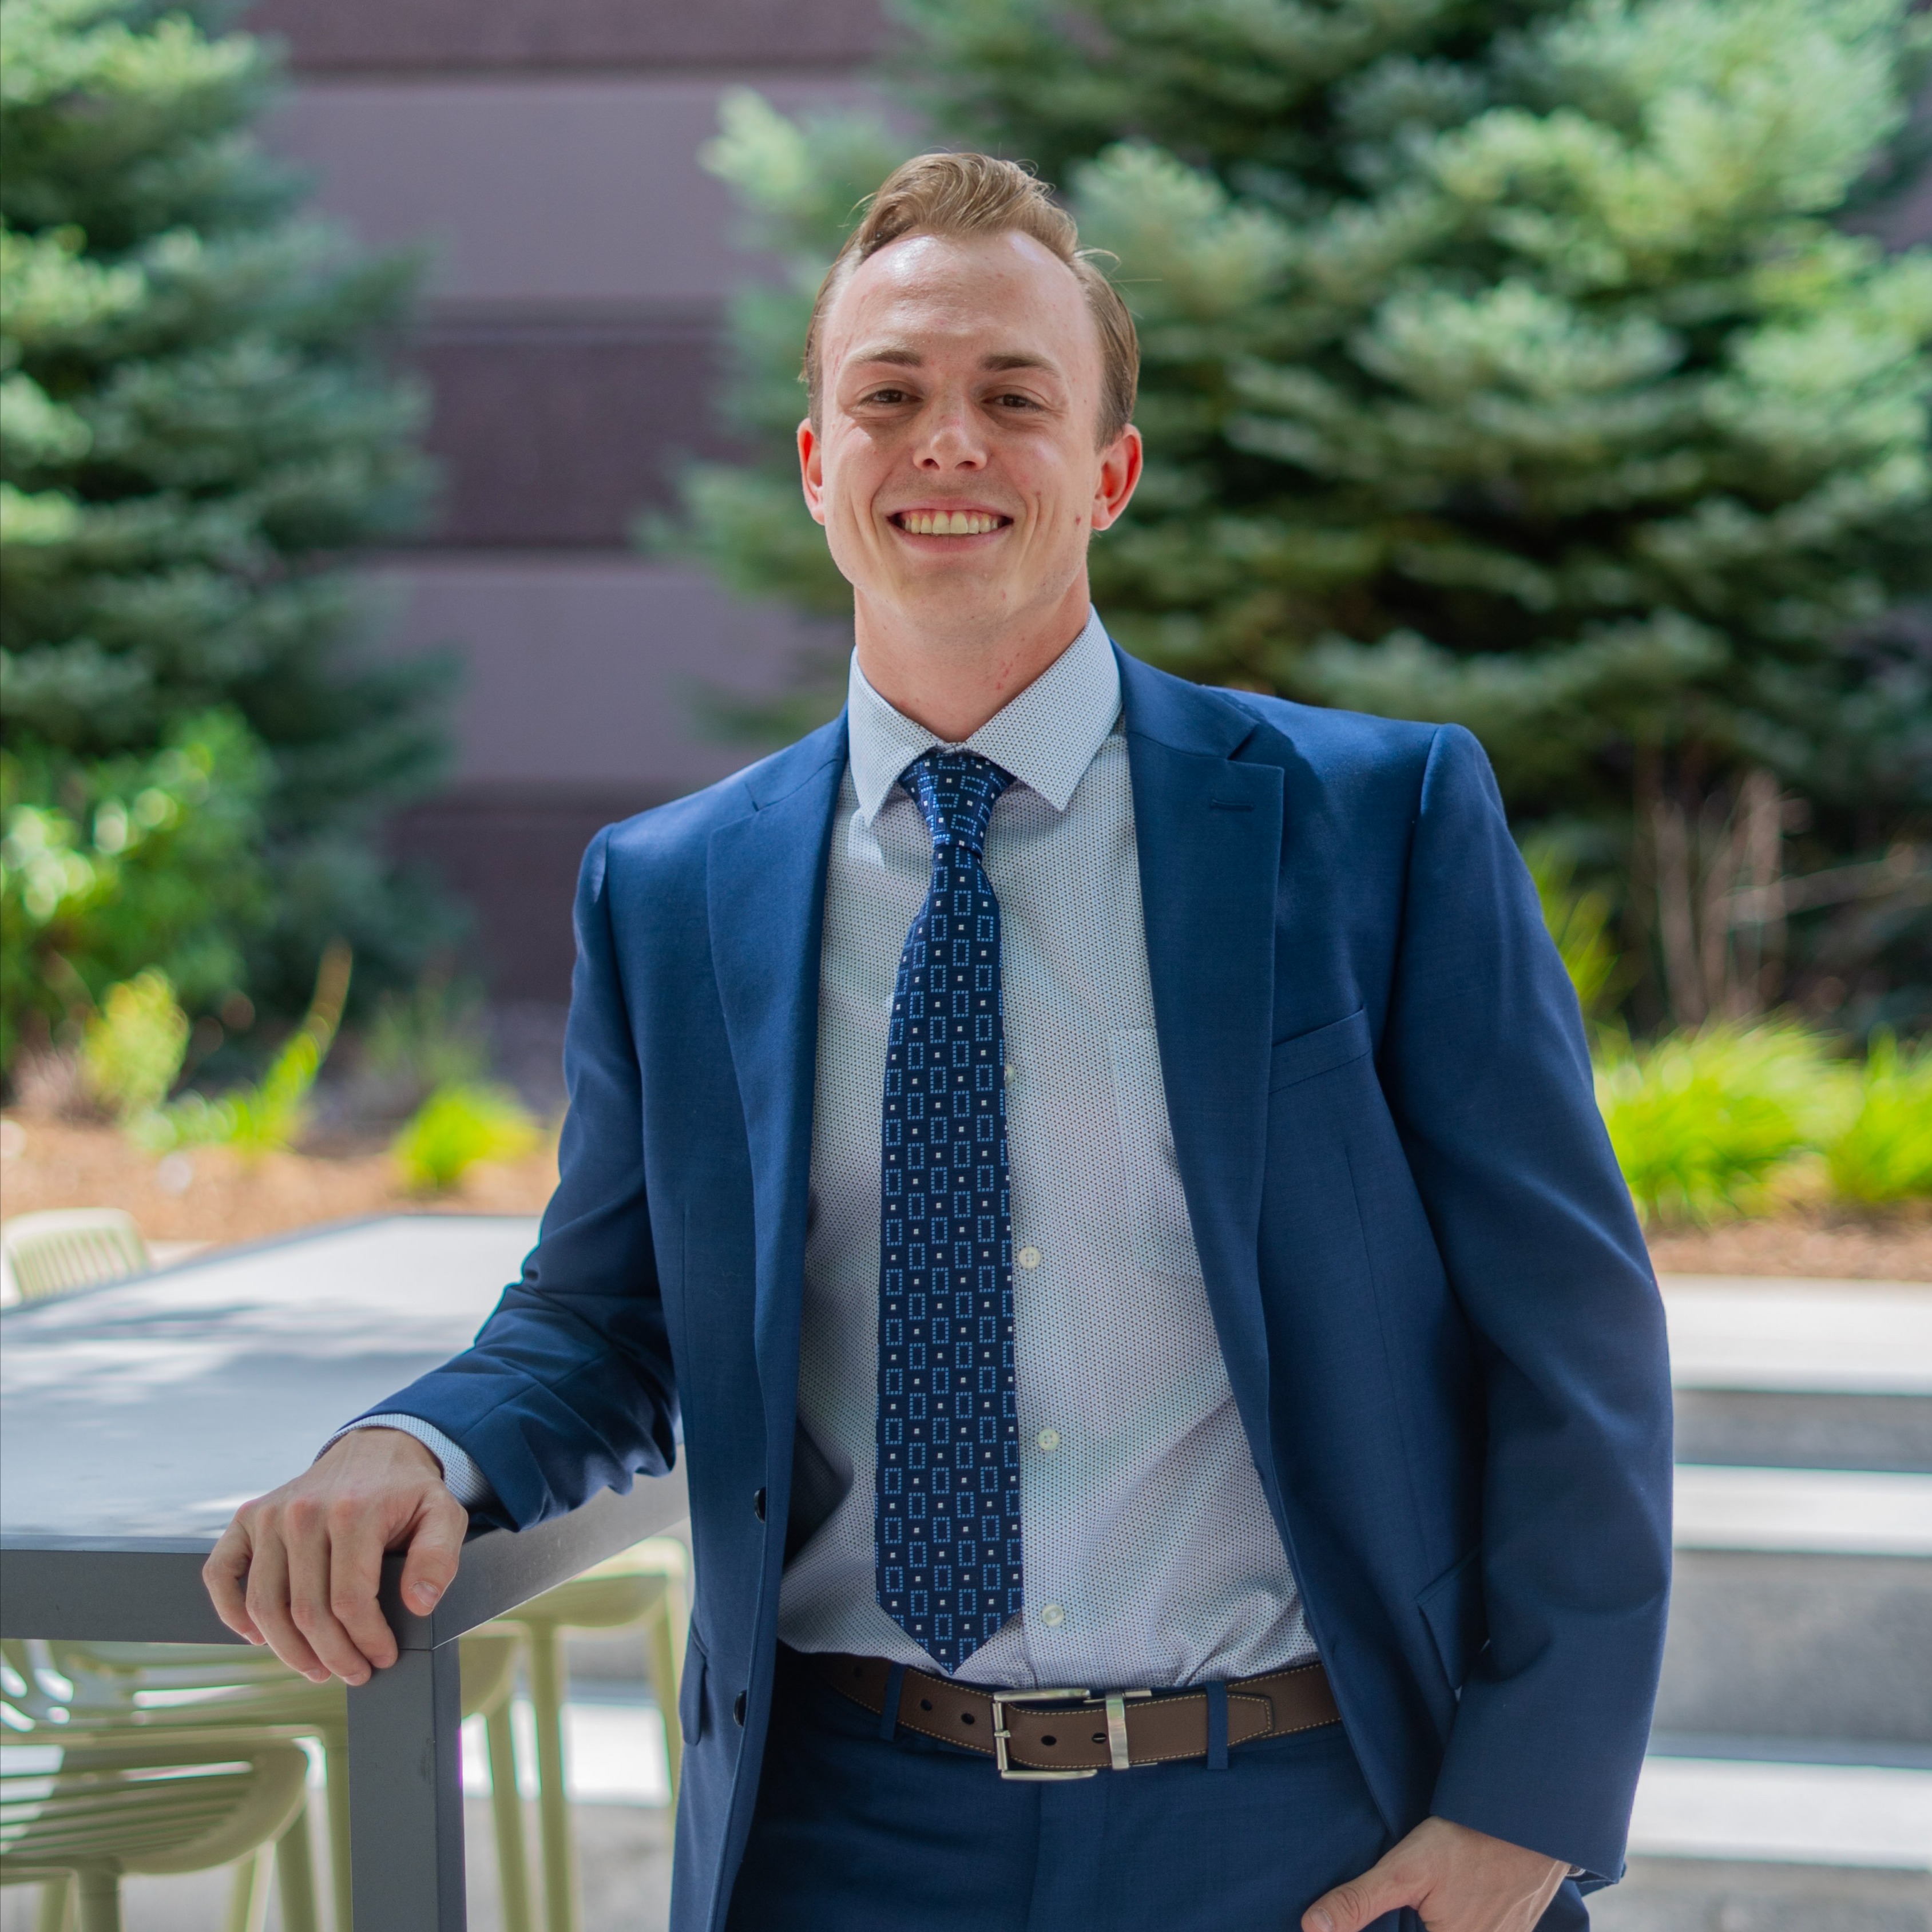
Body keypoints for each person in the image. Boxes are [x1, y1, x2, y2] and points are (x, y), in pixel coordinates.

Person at [205, 152, 1673, 1932]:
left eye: (1013, 397)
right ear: (818, 465)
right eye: (888, 396)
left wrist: (1526, 1809)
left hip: (1300, 1821)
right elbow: (605, 1312)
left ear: (1109, 471)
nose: (946, 442)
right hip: (847, 1834)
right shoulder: (670, 892)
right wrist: (413, 1445)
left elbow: (1570, 1330)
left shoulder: (1374, 820)